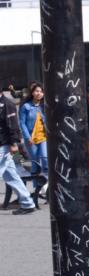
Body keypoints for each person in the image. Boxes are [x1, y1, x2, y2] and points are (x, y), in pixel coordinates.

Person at [0, 84, 36, 214]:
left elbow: (13, 125)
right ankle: (27, 203)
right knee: (11, 176)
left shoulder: (7, 104)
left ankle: (27, 203)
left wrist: (14, 143)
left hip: (4, 145)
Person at [18, 82, 47, 197]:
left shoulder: (45, 106)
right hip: (31, 139)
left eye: (41, 91)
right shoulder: (26, 106)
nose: (39, 93)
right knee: (35, 162)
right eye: (36, 91)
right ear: (32, 93)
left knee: (45, 158)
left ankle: (46, 184)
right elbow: (22, 123)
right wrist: (27, 137)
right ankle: (37, 188)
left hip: (44, 137)